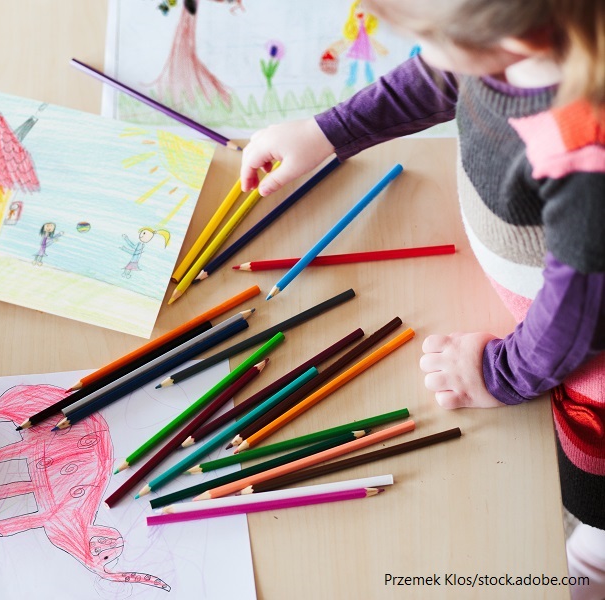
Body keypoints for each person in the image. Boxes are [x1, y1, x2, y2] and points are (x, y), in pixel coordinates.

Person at [239, 1, 604, 598]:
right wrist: (326, 132)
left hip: (586, 371)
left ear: (512, 41)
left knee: (588, 486)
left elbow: (577, 320)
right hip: (563, 306)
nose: (418, 56)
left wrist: (498, 374)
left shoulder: (585, 157)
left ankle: (594, 556)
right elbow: (437, 77)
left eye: (430, 39)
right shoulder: (523, 44)